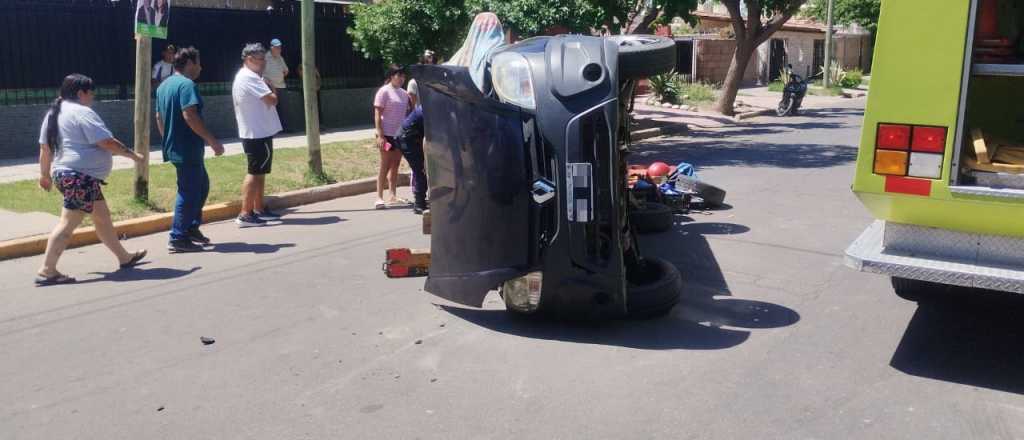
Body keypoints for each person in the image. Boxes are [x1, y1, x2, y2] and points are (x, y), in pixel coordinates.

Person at [35, 74, 148, 286]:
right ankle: (47, 270)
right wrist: (133, 156)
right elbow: (106, 141)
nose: (93, 97)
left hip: (71, 176)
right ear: (81, 93)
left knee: (102, 218)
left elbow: (45, 148)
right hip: (79, 178)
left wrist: (44, 175)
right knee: (68, 224)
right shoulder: (82, 112)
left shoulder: (53, 113)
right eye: (91, 92)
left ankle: (124, 257)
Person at [155, 47, 225, 253]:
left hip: (178, 147)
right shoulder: (187, 85)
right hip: (187, 147)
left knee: (201, 186)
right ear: (189, 63)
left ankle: (191, 227)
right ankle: (178, 237)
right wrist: (212, 141)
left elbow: (159, 118)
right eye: (198, 62)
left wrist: (167, 138)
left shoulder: (163, 86)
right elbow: (190, 115)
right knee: (189, 191)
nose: (201, 67)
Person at [232, 43, 283, 227]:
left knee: (260, 172)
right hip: (255, 133)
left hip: (259, 131)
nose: (263, 63)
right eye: (260, 59)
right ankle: (245, 213)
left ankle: (259, 208)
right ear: (249, 59)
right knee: (254, 172)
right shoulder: (249, 78)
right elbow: (272, 100)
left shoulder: (251, 76)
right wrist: (272, 87)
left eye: (264, 59)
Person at [373, 65, 412, 209]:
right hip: (386, 135)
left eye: (403, 76)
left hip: (399, 135)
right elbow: (377, 114)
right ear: (391, 76)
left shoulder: (404, 93)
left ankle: (392, 195)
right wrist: (380, 134)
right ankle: (379, 197)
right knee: (385, 165)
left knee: (395, 165)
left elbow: (407, 113)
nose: (401, 78)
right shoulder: (383, 92)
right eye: (398, 75)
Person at [398, 104, 427, 214]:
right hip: (406, 139)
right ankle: (419, 204)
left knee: (422, 168)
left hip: (412, 137)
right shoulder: (428, 110)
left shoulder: (431, 106)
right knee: (420, 169)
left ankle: (422, 200)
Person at [264, 38, 289, 131]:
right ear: (271, 48)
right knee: (272, 109)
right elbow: (261, 72)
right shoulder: (265, 57)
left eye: (280, 47)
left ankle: (285, 128)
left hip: (281, 86)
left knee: (284, 108)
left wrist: (281, 75)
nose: (279, 49)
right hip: (269, 87)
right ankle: (273, 129)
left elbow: (286, 70)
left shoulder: (280, 57)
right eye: (277, 47)